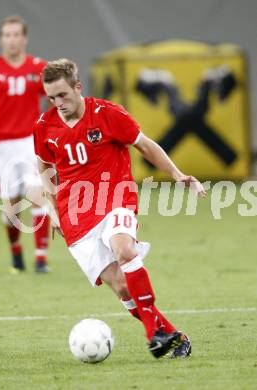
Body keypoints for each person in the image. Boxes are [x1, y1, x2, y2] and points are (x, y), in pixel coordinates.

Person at [33, 58, 206, 358]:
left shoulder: (107, 114)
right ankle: (171, 334)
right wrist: (53, 209)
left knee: (124, 249)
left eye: (63, 95)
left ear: (78, 87)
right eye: (51, 97)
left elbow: (145, 145)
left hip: (115, 197)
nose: (58, 103)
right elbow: (45, 168)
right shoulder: (44, 126)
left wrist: (177, 174)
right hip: (75, 213)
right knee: (123, 287)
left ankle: (153, 332)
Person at [0, 15, 50, 273]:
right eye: (7, 35)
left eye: (16, 35)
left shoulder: (39, 67)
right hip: (2, 145)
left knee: (37, 193)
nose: (12, 40)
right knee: (11, 207)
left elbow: (53, 97)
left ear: (24, 38)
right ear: (1, 39)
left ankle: (40, 259)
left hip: (30, 142)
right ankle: (16, 253)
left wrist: (48, 128)